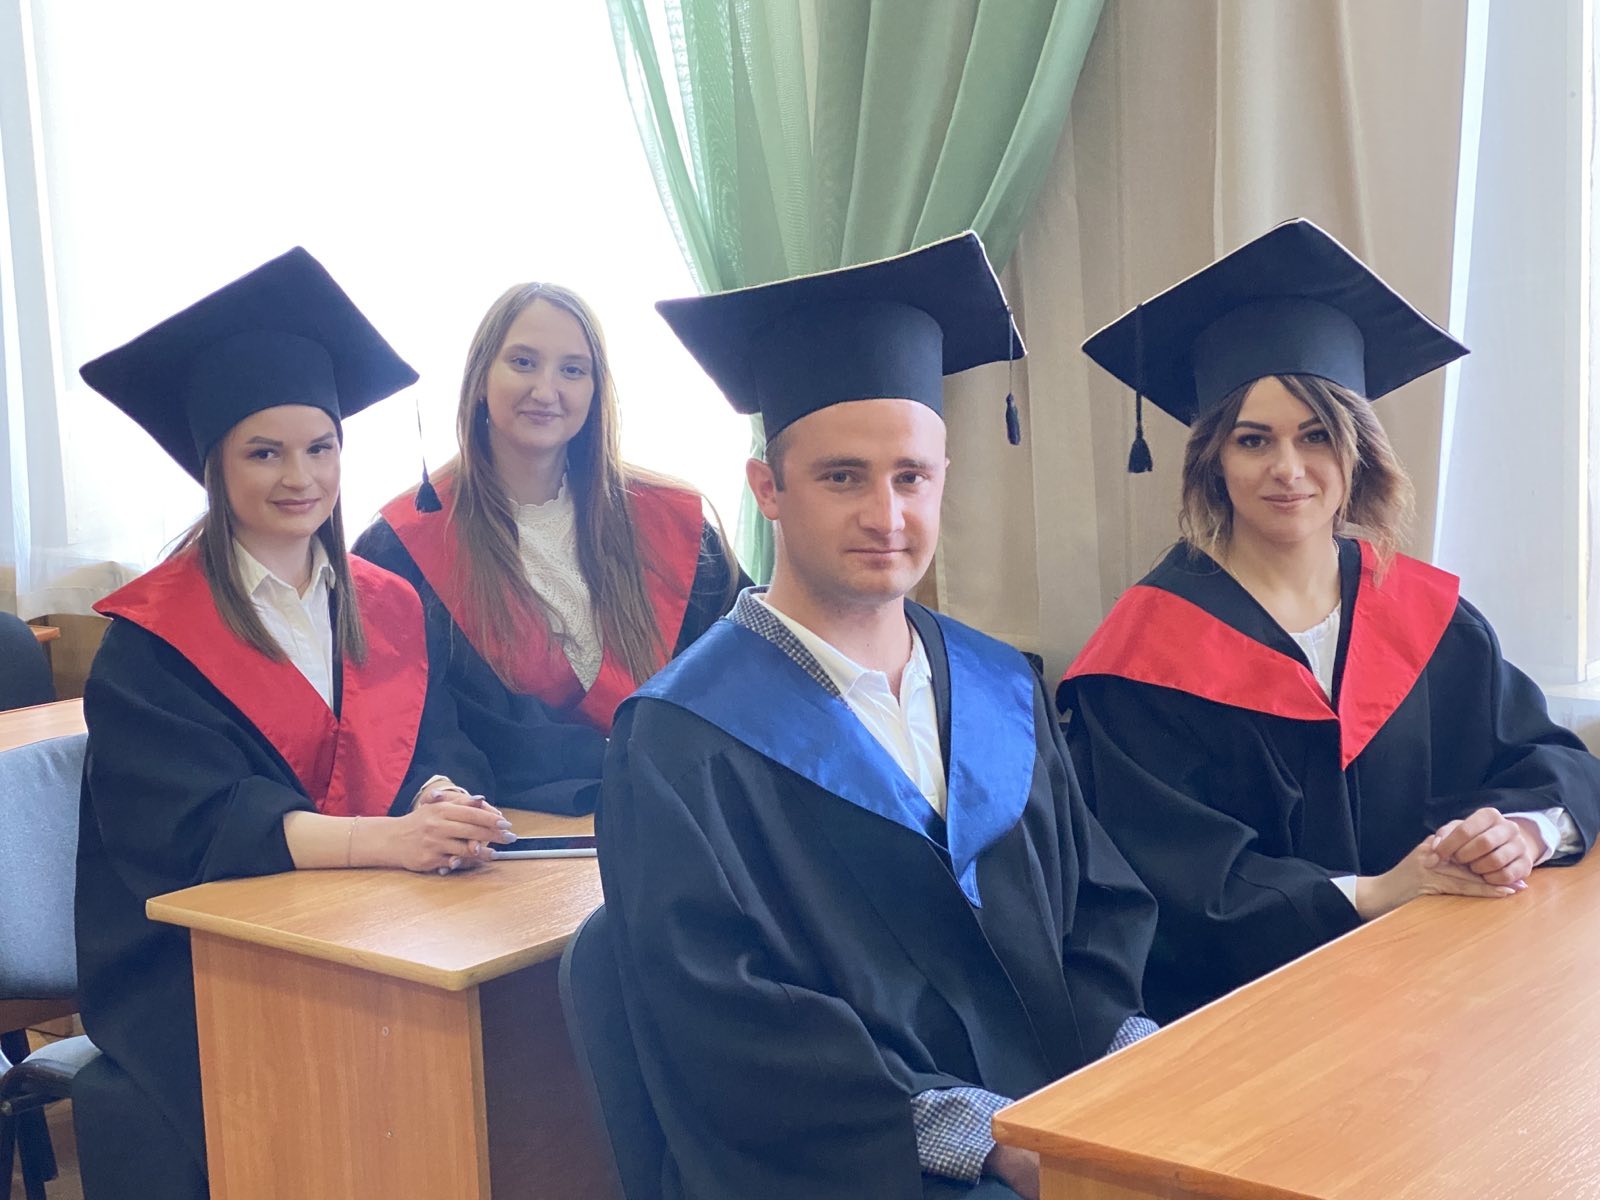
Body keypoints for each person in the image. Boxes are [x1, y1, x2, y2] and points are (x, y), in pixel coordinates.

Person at [599, 233, 1160, 1200]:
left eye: (911, 476)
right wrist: (990, 1143)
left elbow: (1096, 913)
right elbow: (724, 1027)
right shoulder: (682, 739)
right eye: (842, 477)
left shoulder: (1001, 686)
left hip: (1059, 1136)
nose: (887, 517)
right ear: (768, 490)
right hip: (854, 1167)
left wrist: (1129, 1075)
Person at [1061, 219, 1600, 1022]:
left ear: (1357, 451)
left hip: (1441, 989)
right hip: (1251, 1017)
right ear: (1214, 460)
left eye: (1317, 436)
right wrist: (1375, 892)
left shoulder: (1427, 619)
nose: (1289, 469)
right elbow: (1171, 882)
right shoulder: (1144, 659)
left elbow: (1552, 762)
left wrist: (1519, 833)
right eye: (1254, 441)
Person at [73, 248, 514, 1198]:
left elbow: (436, 743)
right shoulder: (151, 639)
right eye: (263, 452)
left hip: (382, 918)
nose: (300, 476)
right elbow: (194, 828)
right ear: (214, 464)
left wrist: (442, 797)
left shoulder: (389, 602)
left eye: (320, 447)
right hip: (203, 957)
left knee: (501, 1060)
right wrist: (386, 841)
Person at [354, 282, 744, 816]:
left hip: (675, 819)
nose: (545, 389)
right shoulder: (402, 547)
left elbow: (737, 679)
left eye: (572, 370)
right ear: (480, 379)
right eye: (523, 362)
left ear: (596, 390)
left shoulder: (672, 523)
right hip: (509, 834)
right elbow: (409, 729)